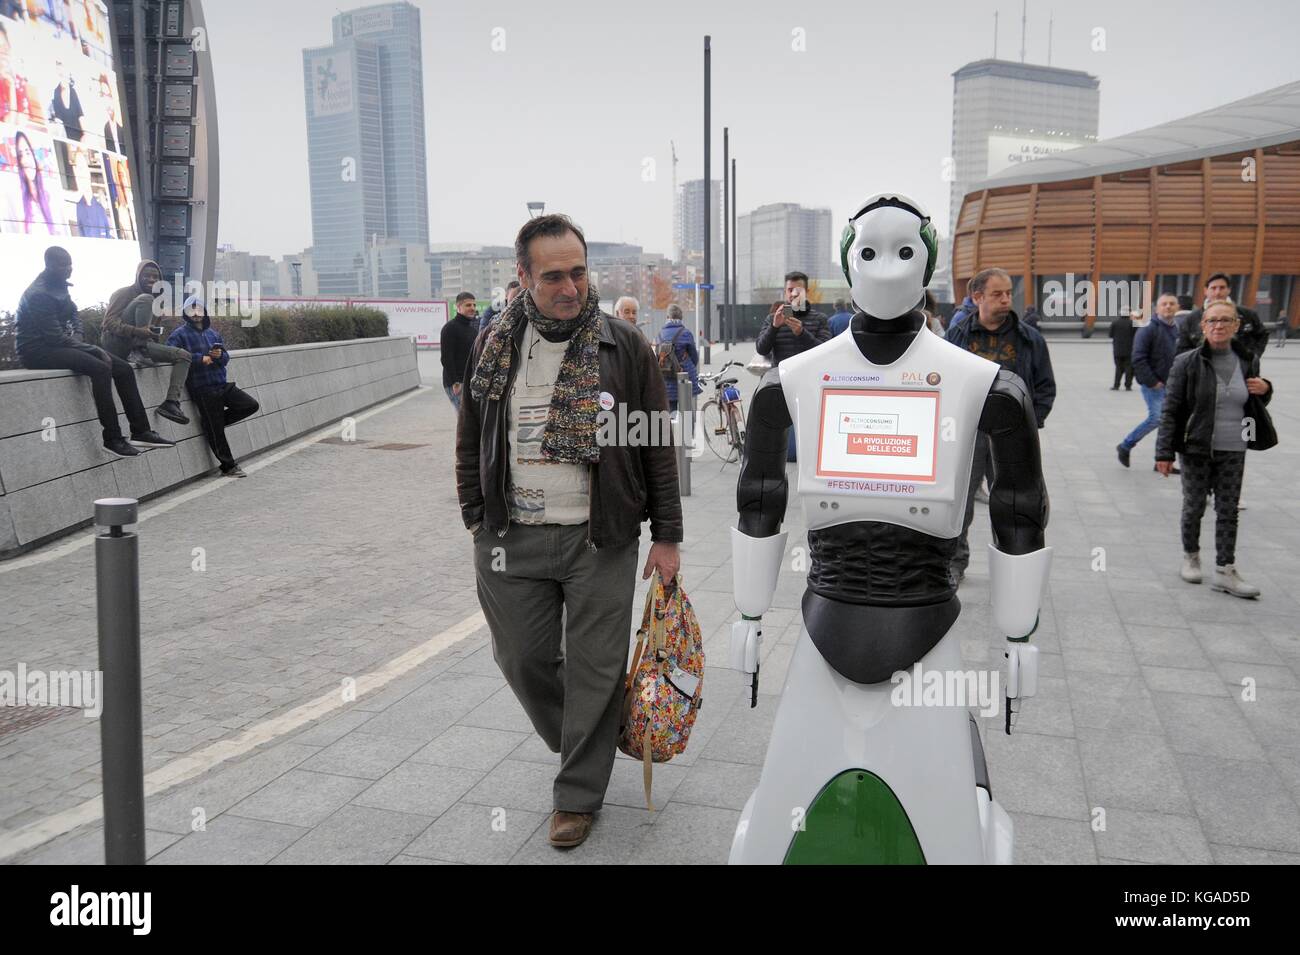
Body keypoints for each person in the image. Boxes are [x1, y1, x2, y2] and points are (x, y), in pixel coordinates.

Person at [455, 213, 682, 849]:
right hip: (510, 535)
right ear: (523, 277)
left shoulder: (624, 345)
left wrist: (667, 536)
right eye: (553, 275)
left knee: (597, 667)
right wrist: (476, 515)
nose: (570, 286)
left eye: (578, 272)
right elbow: (472, 434)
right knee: (522, 658)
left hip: (599, 536)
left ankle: (578, 795)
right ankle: (595, 739)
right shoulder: (492, 343)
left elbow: (657, 445)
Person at [1156, 300, 1274, 598]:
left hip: (1235, 447)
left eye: (1226, 320)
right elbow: (1171, 410)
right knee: (1194, 506)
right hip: (1196, 446)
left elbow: (1253, 400)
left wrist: (1266, 389)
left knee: (1228, 511)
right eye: (1212, 321)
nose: (1218, 326)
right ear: (1202, 326)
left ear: (1236, 325)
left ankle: (1225, 570)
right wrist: (1164, 452)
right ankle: (1191, 557)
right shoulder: (1186, 362)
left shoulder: (1247, 359)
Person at [945, 266, 1056, 582]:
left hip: (1013, 437)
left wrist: (1030, 423)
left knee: (1017, 504)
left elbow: (1045, 386)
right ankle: (954, 563)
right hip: (969, 433)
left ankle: (1012, 566)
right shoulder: (958, 336)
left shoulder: (1029, 339)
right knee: (959, 501)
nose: (1006, 299)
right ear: (977, 297)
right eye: (997, 294)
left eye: (1008, 293)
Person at [16, 247, 175, 457]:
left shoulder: (59, 285)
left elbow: (74, 316)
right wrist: (91, 349)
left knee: (124, 369)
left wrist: (79, 338)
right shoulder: (39, 294)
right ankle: (113, 438)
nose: (69, 269)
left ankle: (141, 431)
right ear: (51, 266)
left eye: (70, 264)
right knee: (101, 368)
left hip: (61, 344)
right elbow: (54, 337)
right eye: (63, 266)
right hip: (37, 351)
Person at [167, 295, 259, 478]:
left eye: (199, 309)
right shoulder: (179, 335)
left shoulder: (213, 334)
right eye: (191, 309)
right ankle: (228, 466)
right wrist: (199, 358)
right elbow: (171, 355)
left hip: (222, 384)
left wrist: (218, 356)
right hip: (203, 388)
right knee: (216, 429)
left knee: (251, 405)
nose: (195, 313)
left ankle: (212, 424)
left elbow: (225, 359)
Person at [101, 259, 190, 424]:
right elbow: (108, 323)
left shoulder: (158, 301)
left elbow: (149, 330)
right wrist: (136, 331)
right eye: (147, 276)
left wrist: (153, 333)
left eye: (155, 277)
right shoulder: (123, 293)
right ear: (138, 276)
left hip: (139, 345)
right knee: (146, 299)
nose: (151, 280)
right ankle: (139, 350)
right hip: (116, 345)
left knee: (184, 356)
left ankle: (171, 403)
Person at [1118, 293, 1181, 471]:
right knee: (1158, 418)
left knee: (1168, 421)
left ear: (1177, 307)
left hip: (1173, 384)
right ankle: (1126, 445)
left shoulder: (1177, 328)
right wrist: (1152, 381)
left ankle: (1161, 460)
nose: (1168, 307)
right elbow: (1138, 358)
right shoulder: (1148, 328)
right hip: (1155, 383)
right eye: (1164, 304)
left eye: (1171, 304)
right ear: (1157, 308)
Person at [1176, 273, 1268, 359]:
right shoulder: (1191, 319)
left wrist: (1253, 356)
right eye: (1213, 288)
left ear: (1229, 290)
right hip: (1204, 371)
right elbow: (1183, 348)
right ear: (1205, 291)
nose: (1217, 292)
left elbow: (1262, 335)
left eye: (1222, 288)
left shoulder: (1247, 314)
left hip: (1241, 370)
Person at [754, 271, 831, 367]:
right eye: (790, 290)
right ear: (785, 292)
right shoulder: (772, 319)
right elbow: (762, 350)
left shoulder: (820, 319)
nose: (794, 294)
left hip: (809, 377)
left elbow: (825, 352)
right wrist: (774, 327)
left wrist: (802, 333)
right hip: (780, 378)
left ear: (807, 292)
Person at [12, 130, 59, 234]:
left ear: (34, 156)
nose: (25, 160)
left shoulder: (49, 193)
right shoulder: (19, 200)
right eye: (20, 156)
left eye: (28, 153)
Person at [657, 303, 701, 412]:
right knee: (686, 410)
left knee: (670, 409)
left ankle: (671, 428)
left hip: (666, 377)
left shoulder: (660, 334)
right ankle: (687, 428)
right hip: (684, 376)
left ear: (667, 317)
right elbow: (694, 357)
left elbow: (657, 356)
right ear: (681, 318)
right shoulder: (686, 333)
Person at [440, 291, 477, 410]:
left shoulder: (472, 329)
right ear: (458, 307)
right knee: (465, 420)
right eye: (468, 305)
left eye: (474, 305)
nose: (472, 308)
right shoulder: (450, 328)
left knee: (471, 421)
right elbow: (446, 358)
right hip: (457, 384)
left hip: (470, 383)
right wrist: (455, 382)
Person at [47, 60, 83, 141]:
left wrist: (85, 134)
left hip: (80, 135)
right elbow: (58, 118)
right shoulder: (56, 92)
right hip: (67, 136)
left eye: (62, 69)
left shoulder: (73, 91)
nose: (61, 72)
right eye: (58, 69)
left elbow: (80, 114)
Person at [1107, 309, 1136, 390]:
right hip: (1129, 350)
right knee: (1129, 368)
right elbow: (1137, 335)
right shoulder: (1132, 323)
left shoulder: (1115, 322)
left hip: (1117, 349)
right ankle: (1128, 386)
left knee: (1118, 368)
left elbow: (1110, 335)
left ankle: (1116, 385)